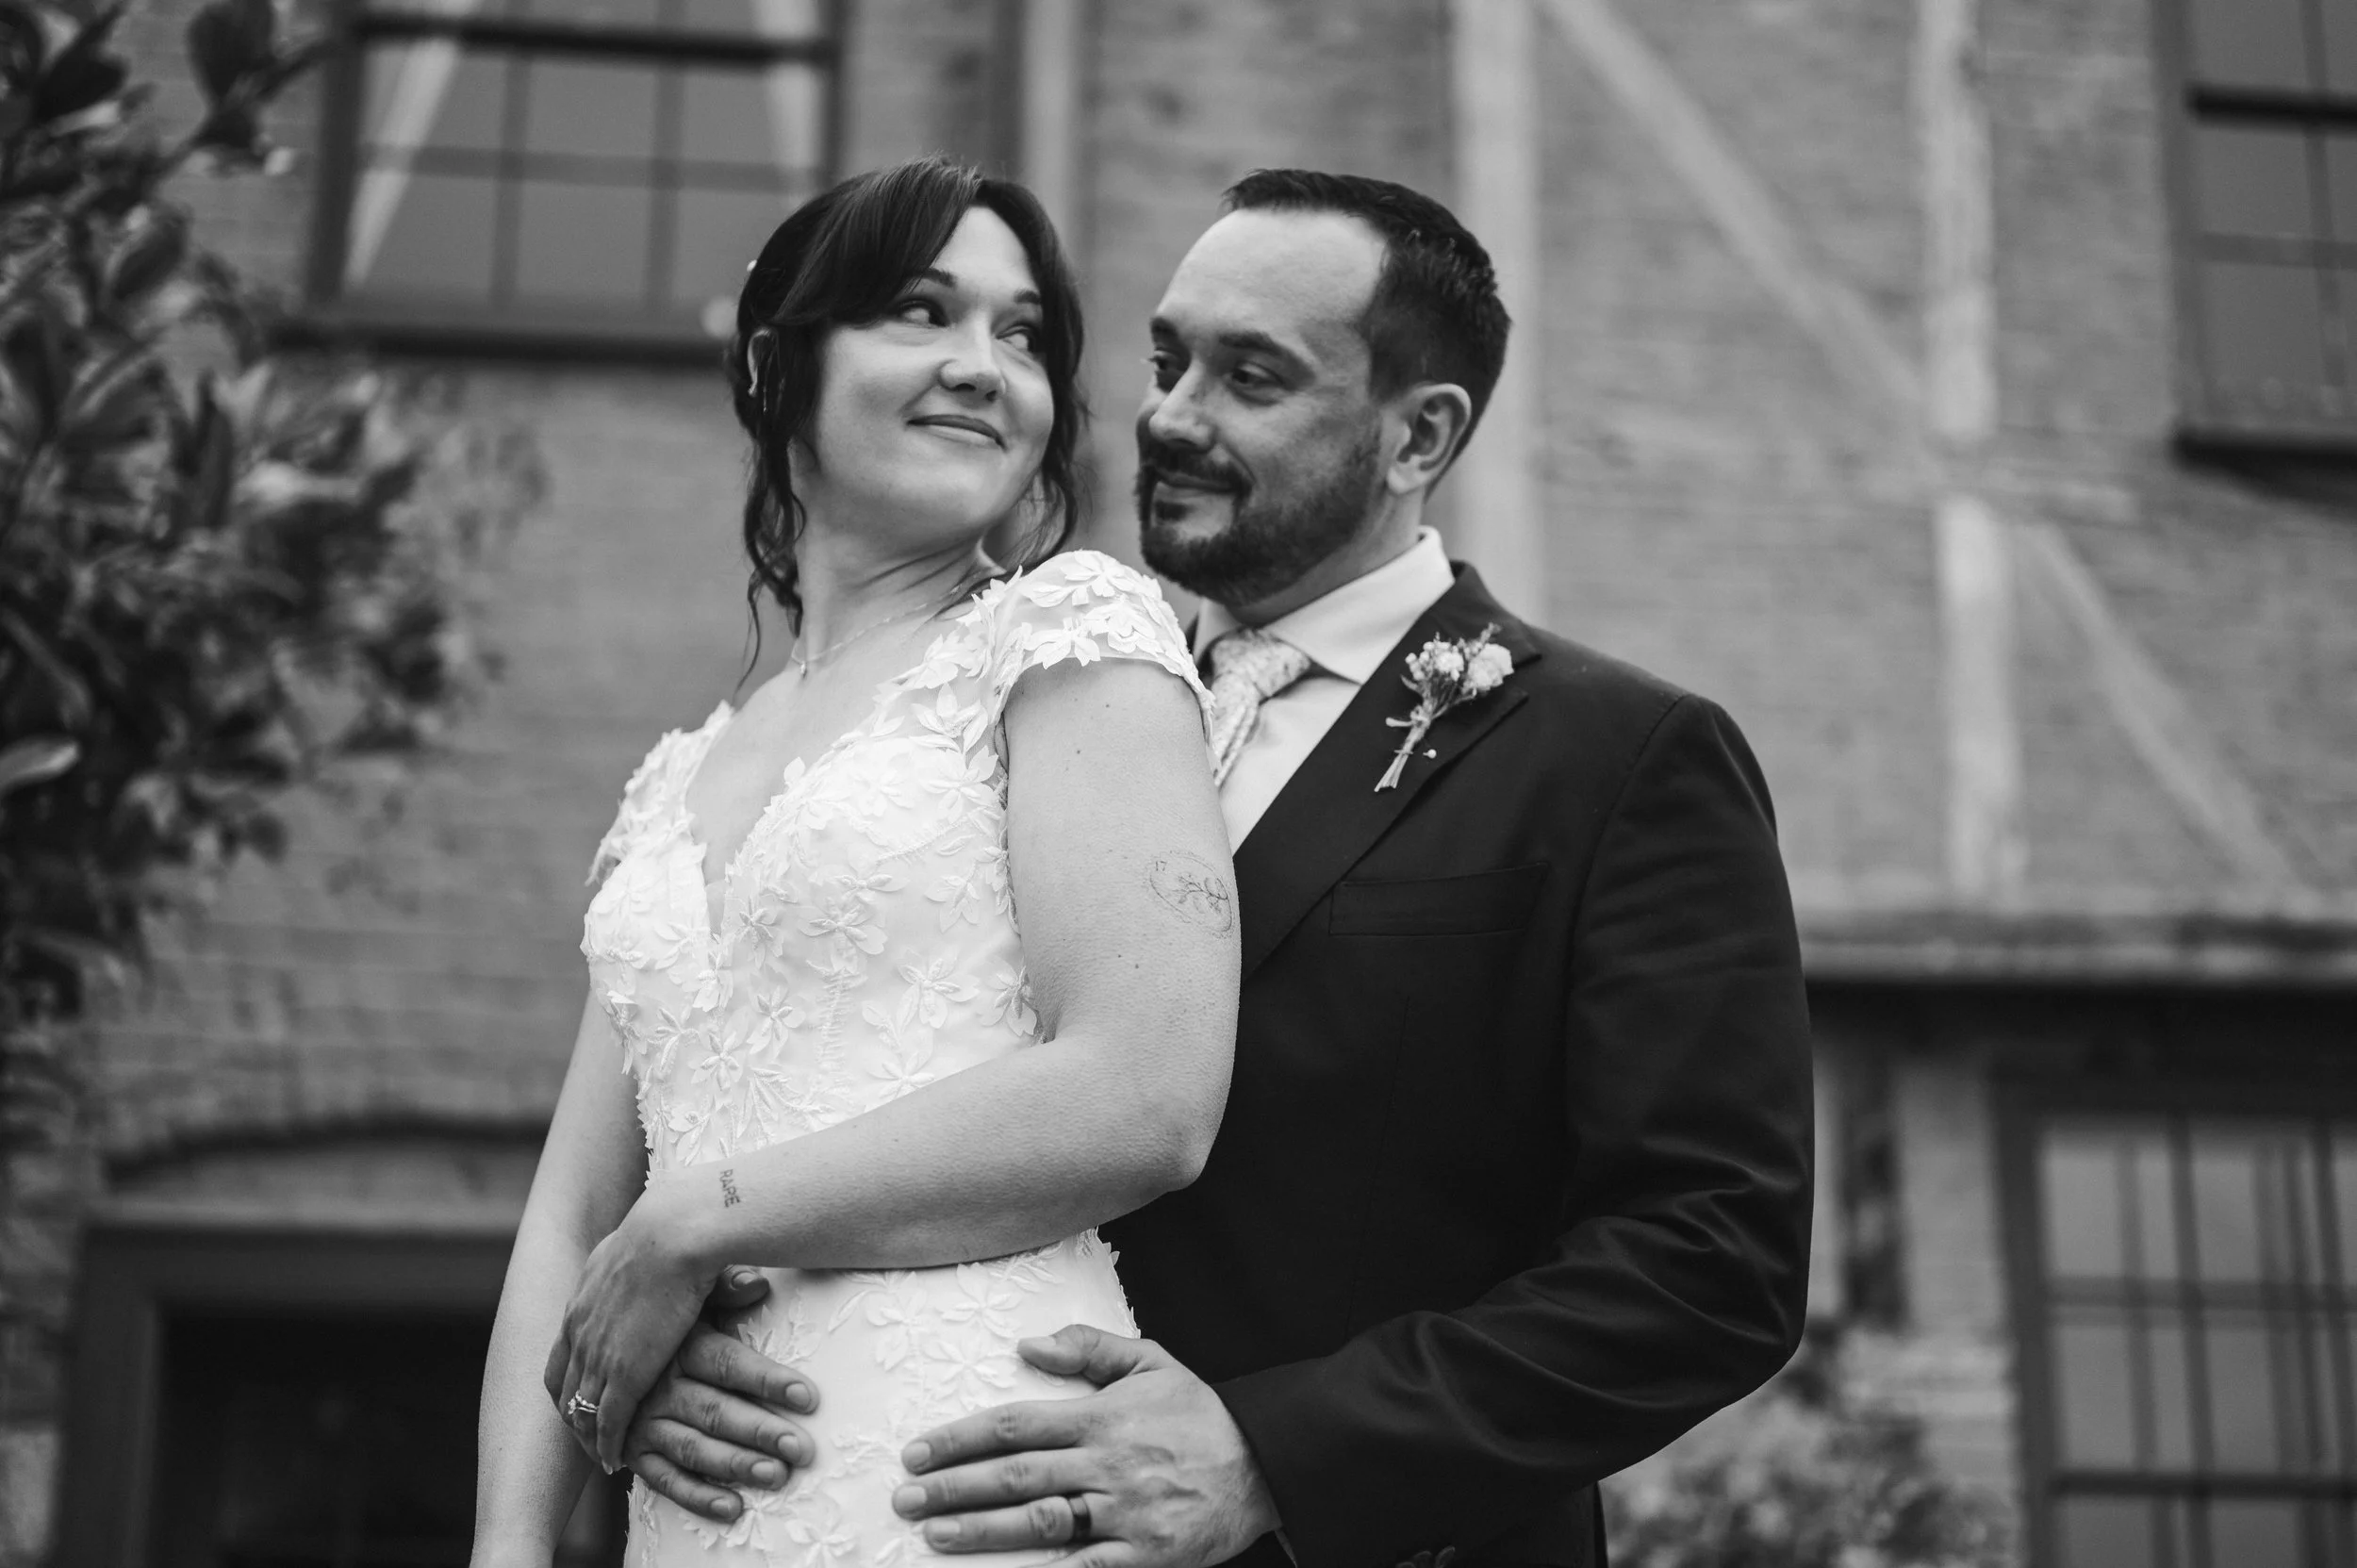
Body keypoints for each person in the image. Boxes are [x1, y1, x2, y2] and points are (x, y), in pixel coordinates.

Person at [626, 170, 1816, 1568]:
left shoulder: (1616, 757)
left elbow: (1711, 1258)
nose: (1174, 417)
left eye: (1252, 376)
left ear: (1419, 433)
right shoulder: (1003, 712)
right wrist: (713, 1330)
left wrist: (1278, 1452)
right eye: (1166, 359)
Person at [469, 156, 1241, 1567]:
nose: (982, 367)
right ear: (780, 366)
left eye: (1023, 336)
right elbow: (570, 1215)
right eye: (921, 311)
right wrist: (512, 1546)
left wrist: (698, 1220)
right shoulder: (676, 773)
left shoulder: (1069, 637)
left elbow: (1150, 1090)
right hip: (693, 1520)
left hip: (964, 1484)